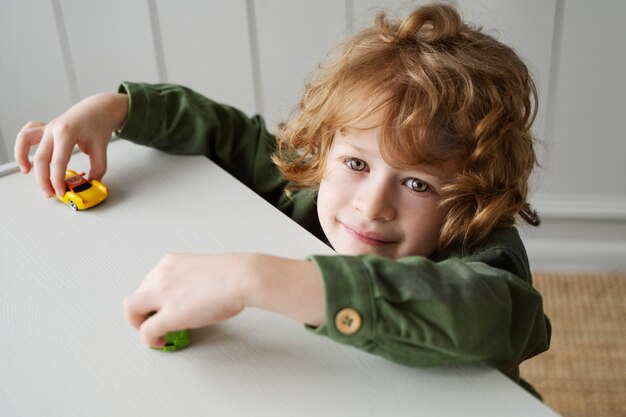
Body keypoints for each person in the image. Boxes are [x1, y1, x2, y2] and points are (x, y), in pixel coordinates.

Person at [14, 4, 550, 397]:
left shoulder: (484, 246)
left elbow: (487, 315)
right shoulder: (311, 181)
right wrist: (116, 110)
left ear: (473, 195)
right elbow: (228, 134)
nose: (371, 206)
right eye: (357, 164)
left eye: (417, 185)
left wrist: (254, 278)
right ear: (325, 150)